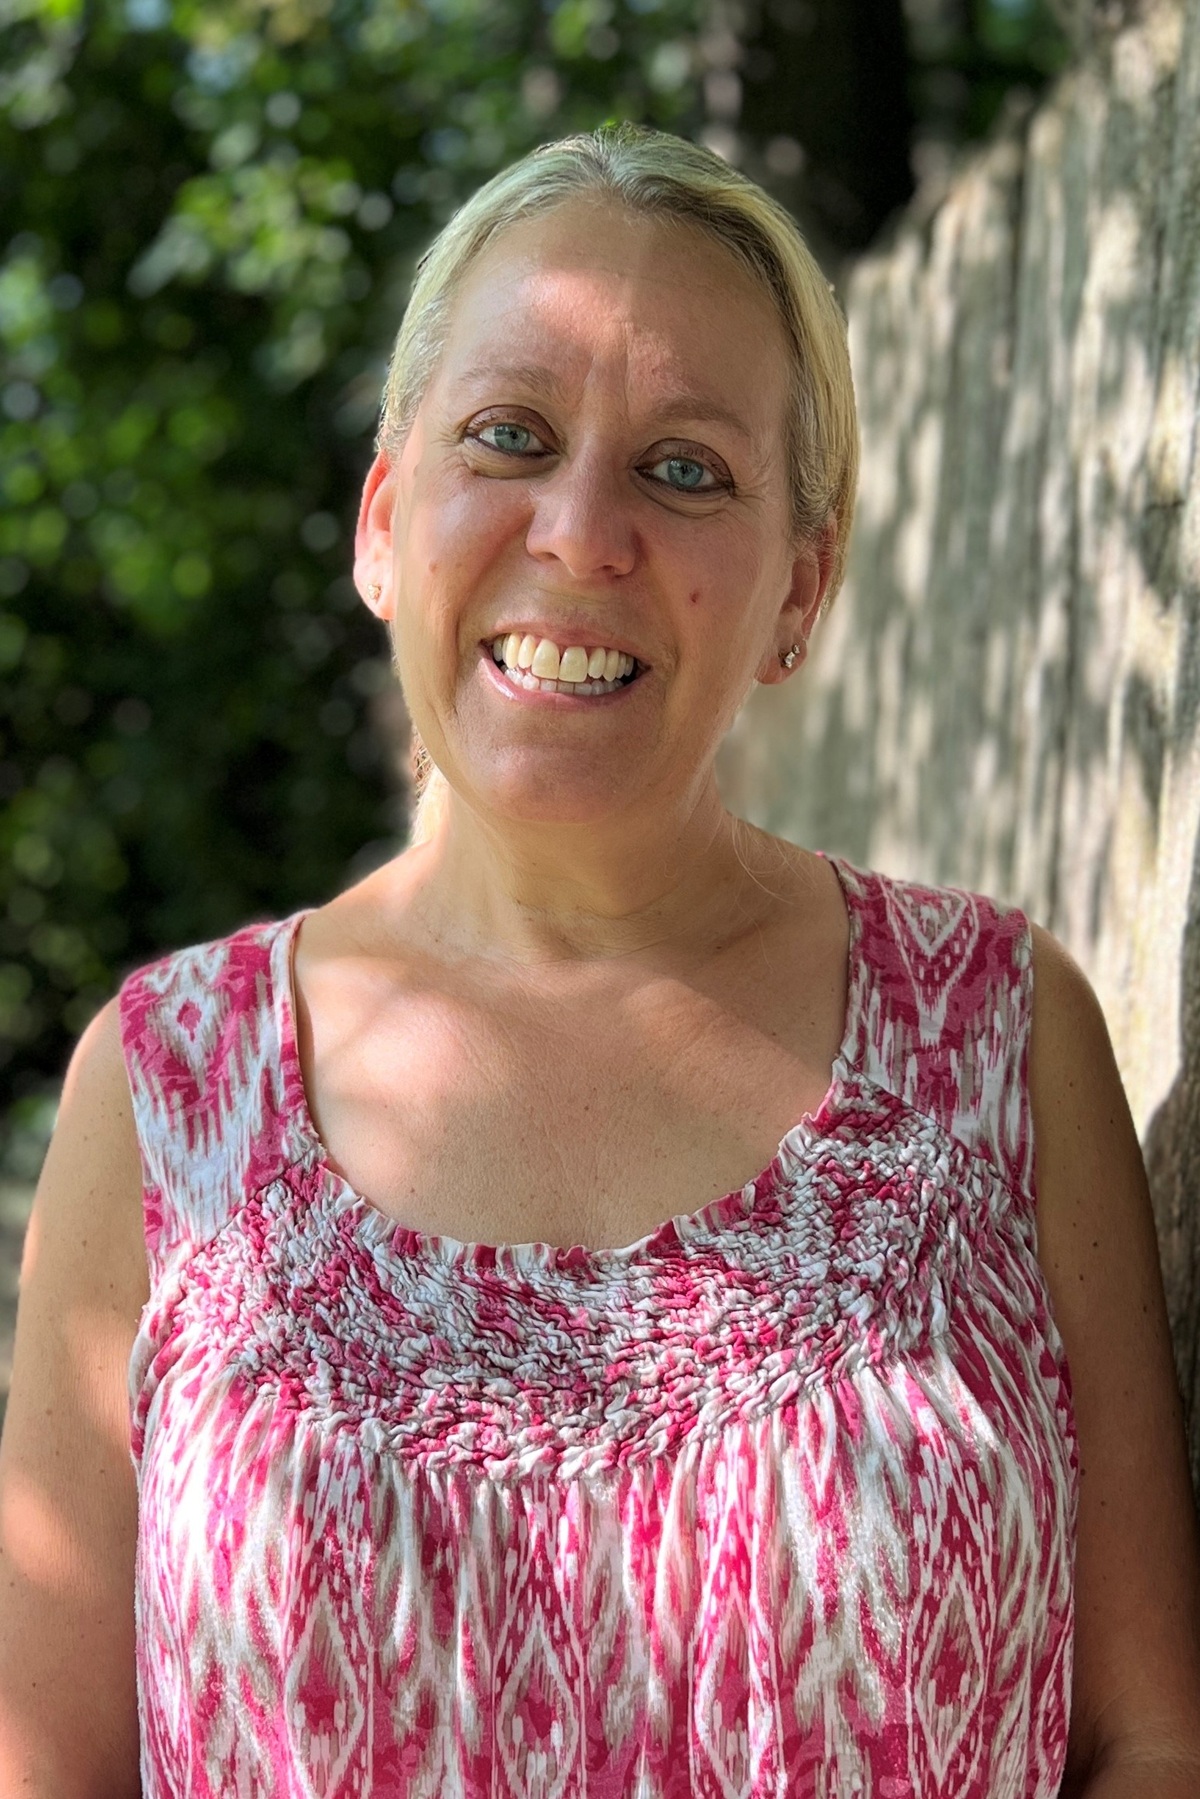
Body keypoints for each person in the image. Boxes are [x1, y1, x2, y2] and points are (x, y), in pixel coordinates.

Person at [1, 122, 1198, 1799]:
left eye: (687, 469)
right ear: (383, 522)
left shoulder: (994, 1040)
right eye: (510, 436)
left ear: (802, 590)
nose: (581, 532)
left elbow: (1150, 1744)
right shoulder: (166, 1095)